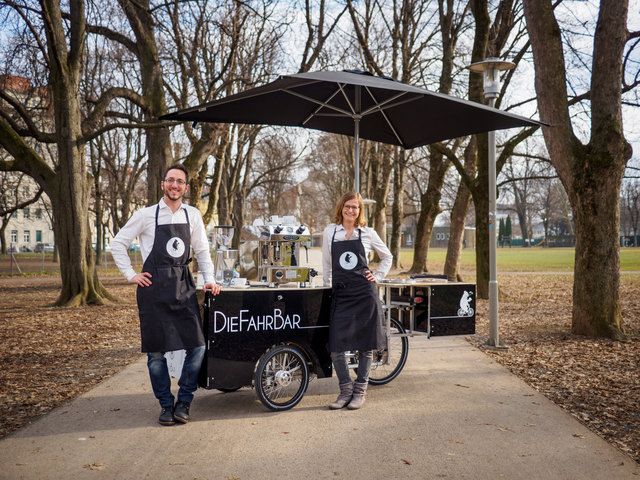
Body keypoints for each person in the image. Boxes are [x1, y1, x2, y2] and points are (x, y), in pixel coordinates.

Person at [111, 164, 222, 426]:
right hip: (153, 292)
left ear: (185, 187)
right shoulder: (146, 215)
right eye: (170, 180)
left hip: (184, 288)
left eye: (180, 182)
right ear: (163, 184)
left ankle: (184, 400)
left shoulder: (193, 215)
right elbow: (118, 243)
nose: (175, 185)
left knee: (198, 345)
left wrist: (210, 280)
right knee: (156, 353)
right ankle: (165, 404)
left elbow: (203, 252)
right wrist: (131, 274)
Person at [322, 192, 392, 410]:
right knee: (336, 345)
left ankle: (360, 391)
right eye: (347, 206)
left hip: (364, 293)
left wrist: (377, 276)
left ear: (360, 211)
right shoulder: (330, 232)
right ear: (341, 208)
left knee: (366, 345)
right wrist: (327, 286)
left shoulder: (367, 233)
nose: (351, 210)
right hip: (341, 294)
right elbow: (326, 264)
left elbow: (387, 256)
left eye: (355, 207)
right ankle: (345, 391)